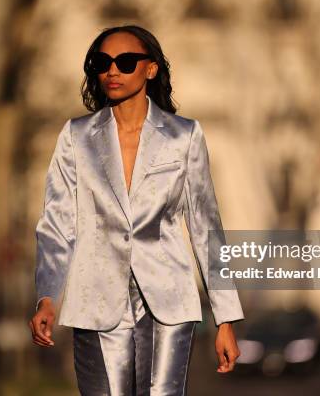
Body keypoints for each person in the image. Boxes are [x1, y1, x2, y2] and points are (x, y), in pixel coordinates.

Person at [29, 25, 244, 395]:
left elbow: (206, 226)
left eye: (125, 62)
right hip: (95, 301)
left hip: (169, 303)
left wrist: (225, 317)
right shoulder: (75, 137)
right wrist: (47, 295)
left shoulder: (184, 136)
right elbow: (57, 222)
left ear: (151, 68)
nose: (112, 71)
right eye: (102, 62)